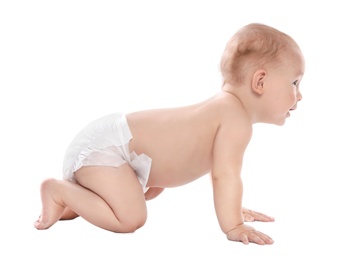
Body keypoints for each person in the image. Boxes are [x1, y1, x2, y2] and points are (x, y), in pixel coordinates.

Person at [34, 23, 304, 245]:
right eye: (295, 82)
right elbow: (225, 175)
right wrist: (233, 224)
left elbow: (219, 169)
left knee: (133, 201)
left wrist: (233, 206)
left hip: (107, 145)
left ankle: (75, 201)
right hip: (106, 150)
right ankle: (57, 190)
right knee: (131, 218)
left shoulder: (226, 110)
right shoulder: (235, 119)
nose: (300, 95)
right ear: (260, 82)